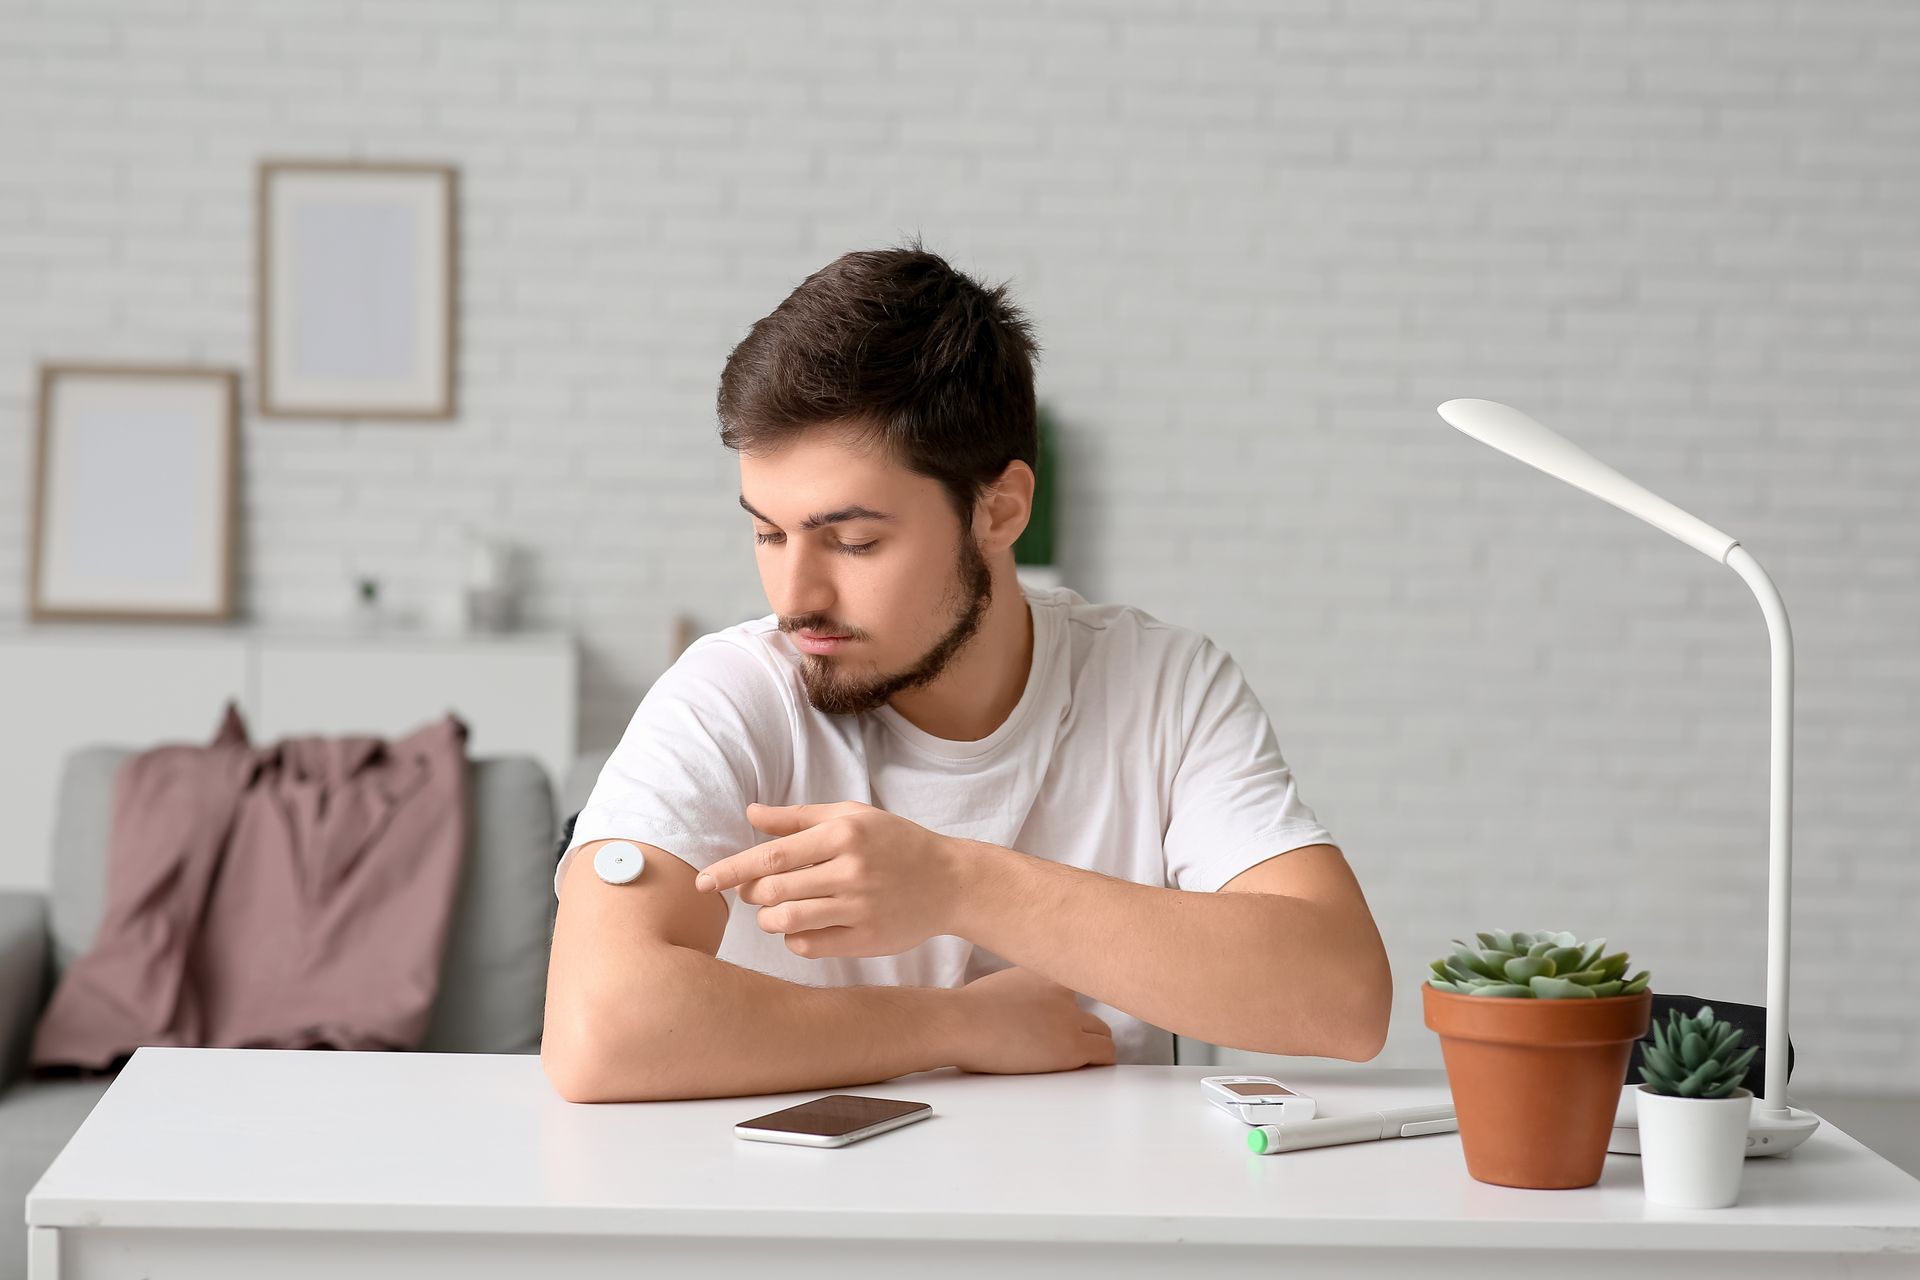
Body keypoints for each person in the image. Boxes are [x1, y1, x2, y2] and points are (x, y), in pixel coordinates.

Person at [541, 241, 1392, 1103]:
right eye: (769, 533)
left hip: (1106, 1219)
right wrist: (955, 1026)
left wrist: (955, 882)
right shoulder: (731, 694)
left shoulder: (1162, 685)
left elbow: (1344, 1002)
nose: (795, 595)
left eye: (854, 541)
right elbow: (598, 1031)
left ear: (1001, 509)